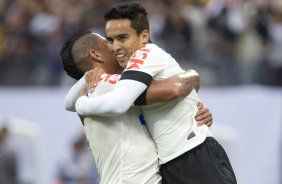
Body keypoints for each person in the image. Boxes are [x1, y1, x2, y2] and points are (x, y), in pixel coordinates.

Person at [74, 2, 236, 184]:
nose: (115, 47)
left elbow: (170, 89)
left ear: (144, 36)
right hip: (172, 163)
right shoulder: (131, 73)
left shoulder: (144, 54)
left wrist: (83, 104)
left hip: (193, 154)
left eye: (122, 38)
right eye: (111, 40)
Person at [62, 32, 212, 183]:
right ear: (96, 55)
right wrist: (194, 75)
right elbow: (173, 89)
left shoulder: (92, 92)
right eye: (108, 43)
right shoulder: (107, 85)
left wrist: (191, 113)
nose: (115, 47)